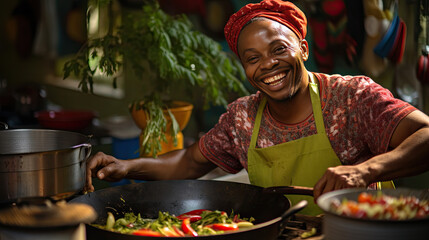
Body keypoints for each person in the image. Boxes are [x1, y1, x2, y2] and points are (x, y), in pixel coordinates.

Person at [85, 0, 429, 215]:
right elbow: (190, 161)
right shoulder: (242, 118)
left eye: (279, 49)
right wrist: (127, 166)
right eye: (253, 59)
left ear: (304, 49)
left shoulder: (351, 97)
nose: (267, 65)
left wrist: (365, 170)